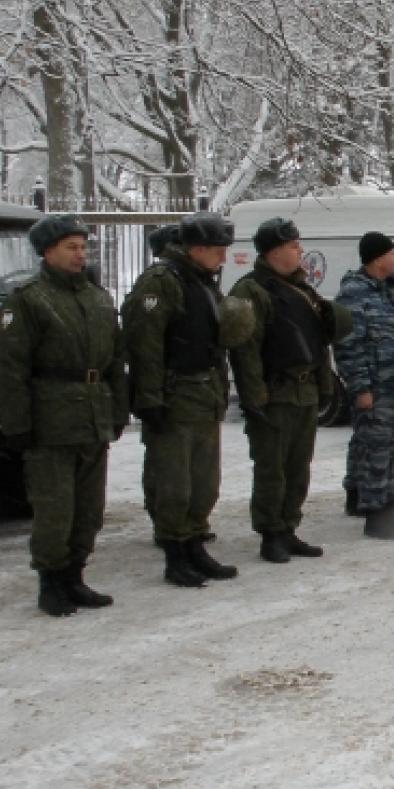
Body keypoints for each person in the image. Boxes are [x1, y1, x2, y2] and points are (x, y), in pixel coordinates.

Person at [0, 214, 129, 617]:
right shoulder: (28, 300)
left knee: (88, 509)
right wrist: (17, 423)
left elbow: (115, 360)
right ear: (47, 252)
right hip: (51, 419)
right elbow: (9, 368)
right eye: (71, 247)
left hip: (92, 415)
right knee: (55, 508)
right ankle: (51, 581)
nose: (80, 255)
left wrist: (117, 409)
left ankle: (75, 575)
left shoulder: (97, 298)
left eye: (83, 247)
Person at [123, 210, 249, 589]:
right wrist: (149, 399)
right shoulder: (162, 282)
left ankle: (195, 542)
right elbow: (144, 345)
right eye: (217, 250)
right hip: (176, 396)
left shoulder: (201, 281)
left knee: (203, 481)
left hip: (203, 393)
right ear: (196, 249)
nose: (223, 258)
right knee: (174, 483)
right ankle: (176, 552)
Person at [230, 218, 352, 563]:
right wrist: (254, 397)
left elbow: (319, 341)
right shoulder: (252, 290)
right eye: (294, 246)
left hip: (304, 391)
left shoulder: (302, 290)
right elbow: (246, 351)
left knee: (298, 467)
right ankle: (270, 533)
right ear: (274, 252)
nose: (301, 251)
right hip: (275, 393)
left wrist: (324, 386)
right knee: (272, 467)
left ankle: (288, 527)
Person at [335, 231, 394, 539]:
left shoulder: (392, 291)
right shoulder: (354, 294)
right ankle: (373, 512)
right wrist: (360, 387)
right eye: (391, 253)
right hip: (373, 387)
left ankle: (387, 503)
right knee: (374, 450)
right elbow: (348, 345)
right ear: (376, 258)